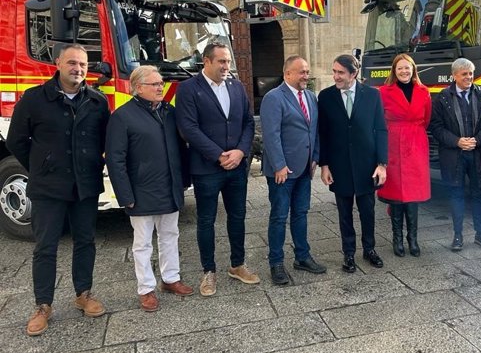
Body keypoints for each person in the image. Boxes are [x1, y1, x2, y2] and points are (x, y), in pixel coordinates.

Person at [6, 44, 110, 336]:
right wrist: (41, 167)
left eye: (83, 65)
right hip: (48, 187)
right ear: (58, 64)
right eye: (72, 63)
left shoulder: (97, 101)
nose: (78, 69)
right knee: (45, 247)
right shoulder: (34, 99)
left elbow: (105, 141)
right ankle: (43, 305)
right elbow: (17, 141)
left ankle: (84, 293)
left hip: (85, 185)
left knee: (86, 241)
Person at [105, 66, 193, 311]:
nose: (160, 87)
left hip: (170, 186)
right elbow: (115, 159)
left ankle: (171, 279)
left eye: (160, 83)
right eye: (154, 84)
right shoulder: (122, 117)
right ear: (138, 87)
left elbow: (181, 149)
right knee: (143, 243)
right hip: (141, 190)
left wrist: (184, 179)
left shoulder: (169, 112)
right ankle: (146, 289)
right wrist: (124, 195)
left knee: (170, 235)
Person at [176, 41, 259, 296]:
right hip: (207, 168)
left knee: (237, 217)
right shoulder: (189, 89)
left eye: (228, 62)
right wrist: (218, 155)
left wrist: (241, 151)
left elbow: (247, 122)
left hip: (235, 167)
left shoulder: (236, 86)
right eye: (221, 61)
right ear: (207, 61)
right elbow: (188, 128)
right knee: (206, 221)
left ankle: (237, 265)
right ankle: (208, 271)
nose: (226, 66)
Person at [318, 54, 388, 273]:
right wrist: (325, 165)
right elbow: (323, 133)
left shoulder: (372, 95)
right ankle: (348, 253)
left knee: (368, 210)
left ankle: (370, 249)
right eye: (334, 71)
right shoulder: (326, 96)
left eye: (340, 72)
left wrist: (382, 163)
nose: (335, 76)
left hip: (367, 164)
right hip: (339, 165)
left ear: (354, 73)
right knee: (344, 212)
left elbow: (381, 130)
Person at [260, 56, 326, 285]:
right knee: (279, 216)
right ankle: (276, 262)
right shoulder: (273, 98)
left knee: (301, 213)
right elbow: (271, 135)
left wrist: (316, 156)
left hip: (305, 168)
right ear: (287, 73)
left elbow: (314, 129)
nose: (306, 76)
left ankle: (302, 256)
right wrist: (279, 165)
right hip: (282, 171)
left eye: (307, 72)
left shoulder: (310, 96)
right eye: (301, 72)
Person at [430, 58, 481, 252]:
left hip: (479, 153)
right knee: (456, 195)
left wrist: (478, 140)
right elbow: (436, 127)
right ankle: (458, 236)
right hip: (454, 155)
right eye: (464, 74)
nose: (469, 77)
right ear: (454, 76)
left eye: (471, 73)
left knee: (479, 195)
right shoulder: (443, 98)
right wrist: (457, 141)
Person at [377, 54, 431, 257]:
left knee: (413, 195)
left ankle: (413, 239)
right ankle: (397, 238)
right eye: (400, 68)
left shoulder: (423, 91)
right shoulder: (383, 92)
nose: (404, 72)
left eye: (407, 68)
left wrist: (413, 133)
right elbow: (379, 120)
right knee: (396, 194)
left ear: (413, 69)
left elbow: (426, 118)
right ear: (394, 71)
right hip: (393, 144)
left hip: (416, 143)